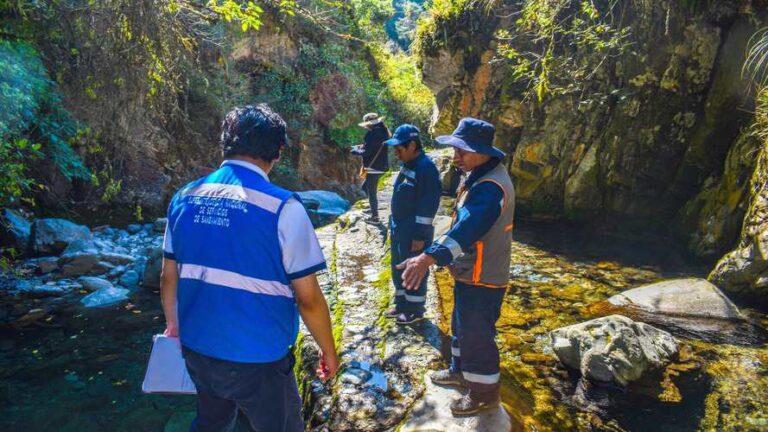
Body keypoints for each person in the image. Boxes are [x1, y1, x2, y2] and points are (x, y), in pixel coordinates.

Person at [159, 104, 339, 432]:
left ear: (225, 143)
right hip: (260, 361)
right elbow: (308, 298)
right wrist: (328, 350)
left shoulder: (184, 196)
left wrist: (173, 326)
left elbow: (168, 276)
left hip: (198, 350)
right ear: (278, 152)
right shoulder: (284, 208)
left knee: (212, 423)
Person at [396, 117, 515, 416]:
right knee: (461, 325)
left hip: (485, 275)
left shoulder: (490, 187)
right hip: (470, 272)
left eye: (463, 150)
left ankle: (484, 394)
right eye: (455, 149)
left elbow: (468, 228)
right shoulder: (478, 174)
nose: (456, 156)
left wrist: (428, 257)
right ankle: (460, 371)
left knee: (477, 334)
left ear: (485, 152)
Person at [383, 124, 441, 325]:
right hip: (400, 228)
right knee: (398, 266)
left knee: (414, 270)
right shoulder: (408, 166)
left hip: (414, 232)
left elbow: (428, 206)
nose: (396, 153)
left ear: (413, 145)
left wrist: (420, 237)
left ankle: (415, 309)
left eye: (399, 149)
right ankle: (401, 304)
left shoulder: (426, 168)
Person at [351, 112, 390, 222]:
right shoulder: (383, 131)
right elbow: (374, 147)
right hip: (382, 165)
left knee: (371, 192)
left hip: (374, 167)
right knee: (365, 187)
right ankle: (373, 208)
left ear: (369, 124)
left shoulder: (372, 134)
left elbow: (367, 152)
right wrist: (362, 147)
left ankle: (375, 217)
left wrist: (356, 151)